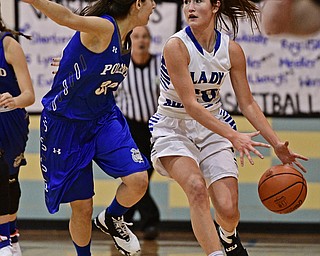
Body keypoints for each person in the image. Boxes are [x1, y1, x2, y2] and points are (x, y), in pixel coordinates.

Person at [148, 0, 309, 256]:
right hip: (173, 127)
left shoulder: (231, 50)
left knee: (229, 211)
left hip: (213, 126)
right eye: (186, 1)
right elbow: (191, 105)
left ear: (215, 6)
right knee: (196, 188)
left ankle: (229, 236)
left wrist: (276, 143)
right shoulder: (176, 46)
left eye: (198, 1)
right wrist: (234, 135)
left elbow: (247, 103)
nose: (190, 6)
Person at [21, 0, 156, 256]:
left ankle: (112, 218)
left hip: (103, 118)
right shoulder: (105, 28)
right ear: (137, 3)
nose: (154, 6)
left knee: (138, 180)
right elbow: (67, 18)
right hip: (66, 124)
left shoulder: (126, 39)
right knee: (82, 207)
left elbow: (87, 60)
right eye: (151, 2)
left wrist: (71, 60)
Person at [116, 25, 160, 240]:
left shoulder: (160, 65)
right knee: (135, 176)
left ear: (150, 40)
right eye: (137, 36)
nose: (141, 40)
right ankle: (149, 221)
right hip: (129, 129)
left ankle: (127, 218)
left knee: (143, 177)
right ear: (130, 40)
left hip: (153, 128)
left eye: (145, 36)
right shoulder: (122, 66)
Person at [0, 5, 34, 256]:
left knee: (11, 180)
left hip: (11, 121)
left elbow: (30, 95)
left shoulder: (9, 45)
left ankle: (12, 235)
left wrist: (13, 100)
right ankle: (3, 242)